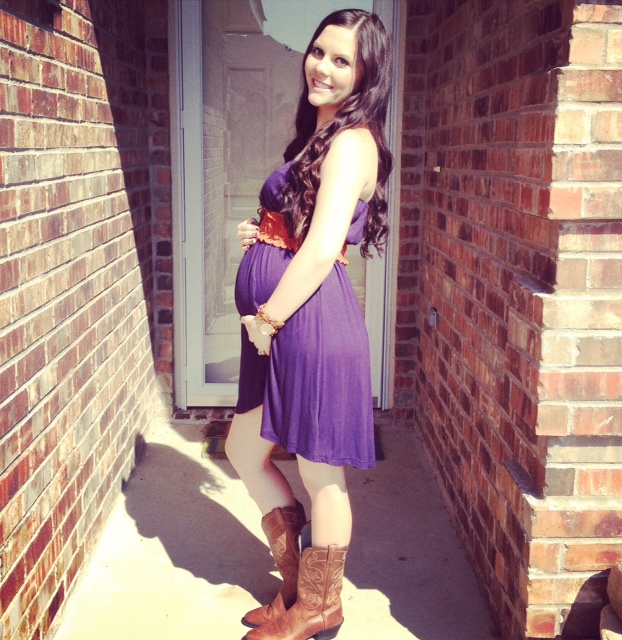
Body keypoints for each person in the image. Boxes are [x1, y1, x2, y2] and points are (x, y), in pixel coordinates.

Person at [225, 9, 393, 640]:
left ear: (366, 75)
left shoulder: (352, 142)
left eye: (342, 60)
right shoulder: (321, 133)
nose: (322, 66)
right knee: (244, 450)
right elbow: (303, 226)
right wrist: (263, 231)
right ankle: (297, 589)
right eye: (318, 51)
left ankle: (321, 606)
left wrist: (268, 317)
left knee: (321, 470)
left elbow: (323, 248)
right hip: (279, 324)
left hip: (306, 322)